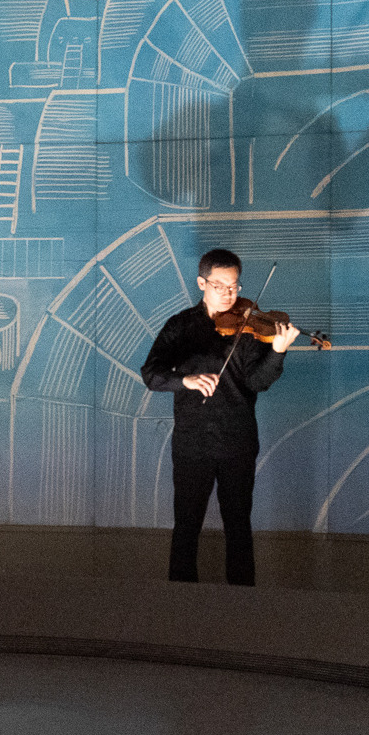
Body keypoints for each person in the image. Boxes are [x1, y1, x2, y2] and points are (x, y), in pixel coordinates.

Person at [140, 248, 299, 586]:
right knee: (186, 527)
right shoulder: (180, 326)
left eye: (235, 286)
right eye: (220, 286)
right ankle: (180, 602)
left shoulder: (250, 325)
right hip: (191, 443)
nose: (230, 294)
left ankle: (242, 606)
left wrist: (278, 351)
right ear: (202, 283)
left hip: (237, 442)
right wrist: (185, 380)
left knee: (238, 527)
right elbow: (151, 374)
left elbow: (258, 382)